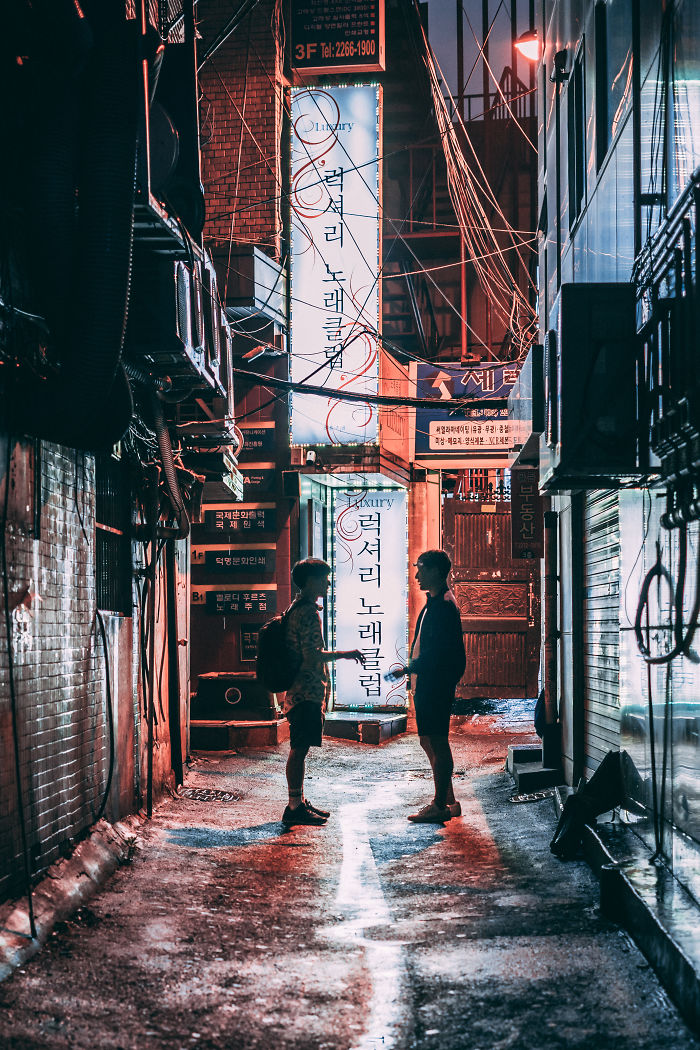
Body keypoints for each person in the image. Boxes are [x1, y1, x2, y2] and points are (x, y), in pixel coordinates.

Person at [282, 557, 365, 828]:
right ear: (310, 581)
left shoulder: (298, 607)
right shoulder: (306, 612)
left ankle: (299, 800)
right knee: (299, 748)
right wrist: (346, 654)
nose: (328, 583)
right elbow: (313, 655)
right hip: (305, 692)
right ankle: (294, 806)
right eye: (323, 578)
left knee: (301, 748)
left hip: (301, 690)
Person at [387, 549, 466, 823]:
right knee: (428, 739)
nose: (417, 574)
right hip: (429, 684)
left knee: (437, 741)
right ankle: (448, 800)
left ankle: (439, 805)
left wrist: (407, 669)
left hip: (435, 684)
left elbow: (437, 654)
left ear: (435, 571)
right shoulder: (436, 601)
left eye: (421, 568)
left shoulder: (443, 605)